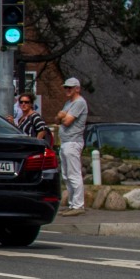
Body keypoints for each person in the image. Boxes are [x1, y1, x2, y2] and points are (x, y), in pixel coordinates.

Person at [54, 77, 88, 215]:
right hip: (66, 142)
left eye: (70, 87)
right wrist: (61, 115)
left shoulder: (79, 103)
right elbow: (57, 119)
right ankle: (72, 203)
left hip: (73, 142)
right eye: (66, 87)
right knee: (67, 175)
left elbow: (67, 121)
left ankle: (78, 205)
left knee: (74, 174)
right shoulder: (69, 103)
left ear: (77, 89)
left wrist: (62, 116)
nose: (67, 90)